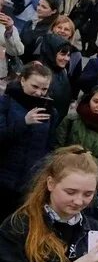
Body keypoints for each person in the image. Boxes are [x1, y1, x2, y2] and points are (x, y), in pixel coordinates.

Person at [0, 63, 55, 220]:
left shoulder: (50, 110)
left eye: (44, 89)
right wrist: (24, 123)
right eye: (35, 86)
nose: (39, 92)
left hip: (28, 182)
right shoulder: (6, 103)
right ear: (23, 80)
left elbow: (49, 146)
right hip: (3, 175)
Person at [55, 84, 98, 174]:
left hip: (93, 177)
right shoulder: (71, 120)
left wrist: (90, 160)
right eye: (96, 101)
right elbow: (56, 147)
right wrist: (73, 157)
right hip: (64, 171)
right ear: (89, 100)